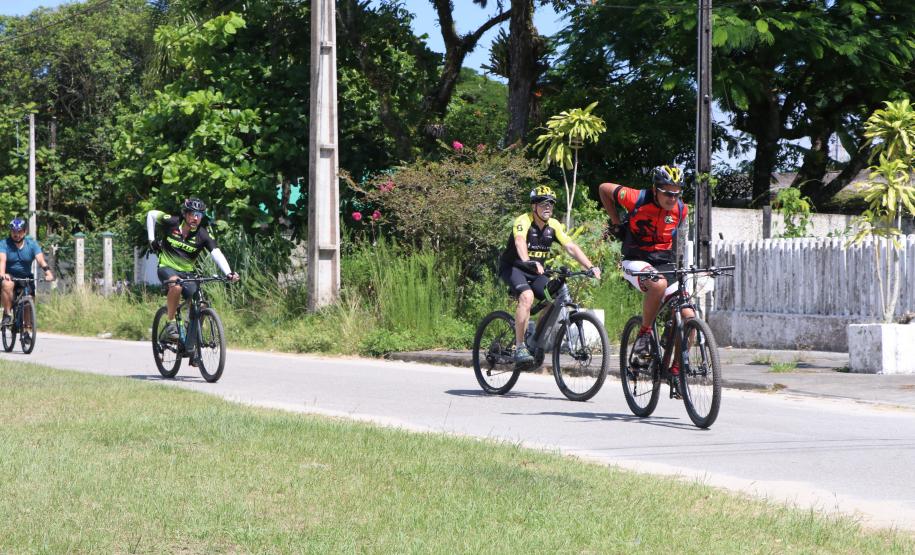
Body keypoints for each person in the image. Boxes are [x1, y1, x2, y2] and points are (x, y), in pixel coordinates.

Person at [599, 165, 693, 375]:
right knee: (658, 284)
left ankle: (675, 371)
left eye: (677, 194)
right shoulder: (635, 198)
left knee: (689, 316)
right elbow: (604, 188)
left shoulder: (681, 209)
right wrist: (616, 223)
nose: (672, 198)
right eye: (667, 193)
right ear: (655, 189)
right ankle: (644, 334)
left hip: (663, 262)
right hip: (635, 260)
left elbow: (678, 241)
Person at [498, 185, 601, 365]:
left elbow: (570, 247)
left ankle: (535, 342)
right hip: (514, 268)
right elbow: (520, 241)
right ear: (534, 206)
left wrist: (590, 266)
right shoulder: (523, 221)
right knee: (527, 296)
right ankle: (520, 346)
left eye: (551, 204)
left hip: (536, 272)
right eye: (543, 203)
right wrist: (527, 261)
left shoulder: (553, 225)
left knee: (553, 298)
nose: (548, 207)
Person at [146, 198, 239, 348]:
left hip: (187, 273)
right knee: (176, 285)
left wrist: (229, 273)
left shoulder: (202, 234)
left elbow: (216, 253)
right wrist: (151, 240)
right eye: (192, 214)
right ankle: (170, 324)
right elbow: (151, 214)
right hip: (166, 267)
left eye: (199, 215)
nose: (195, 218)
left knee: (201, 305)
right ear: (185, 214)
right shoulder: (173, 222)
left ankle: (191, 338)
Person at [0, 218, 54, 332]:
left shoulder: (32, 244)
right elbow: (2, 260)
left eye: (19, 231)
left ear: (24, 232)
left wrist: (48, 273)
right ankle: (7, 314)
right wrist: (2, 274)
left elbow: (41, 261)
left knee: (29, 301)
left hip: (26, 277)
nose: (16, 234)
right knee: (7, 284)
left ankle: (27, 330)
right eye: (13, 231)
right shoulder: (4, 244)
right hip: (10, 276)